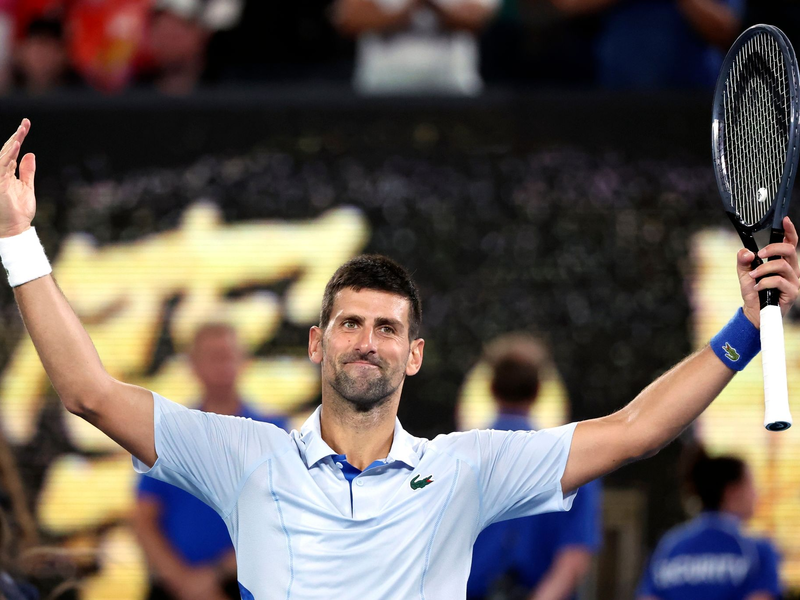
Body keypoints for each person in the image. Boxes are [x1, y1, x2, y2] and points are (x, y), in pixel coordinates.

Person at [0, 119, 798, 599]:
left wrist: (742, 327)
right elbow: (86, 391)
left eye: (387, 328)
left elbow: (635, 430)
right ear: (317, 343)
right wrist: (18, 240)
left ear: (414, 356)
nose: (366, 340)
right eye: (349, 323)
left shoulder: (465, 470)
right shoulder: (245, 456)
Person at [132, 322, 289, 600]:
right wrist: (182, 581)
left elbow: (283, 518)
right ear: (192, 365)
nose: (221, 366)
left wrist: (215, 575)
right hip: (173, 588)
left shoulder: (272, 433)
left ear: (244, 360)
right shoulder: (169, 432)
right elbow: (144, 518)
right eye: (212, 357)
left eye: (227, 355)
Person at [467, 334, 601, 600]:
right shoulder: (573, 461)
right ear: (539, 390)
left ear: (490, 388)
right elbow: (573, 561)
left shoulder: (453, 459)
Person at [636, 452, 781, 600]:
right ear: (733, 491)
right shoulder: (757, 550)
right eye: (752, 485)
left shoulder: (668, 547)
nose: (757, 494)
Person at [332, 0, 499, 94]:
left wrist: (433, 5)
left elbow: (476, 22)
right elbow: (351, 21)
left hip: (453, 87)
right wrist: (409, 8)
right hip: (381, 87)